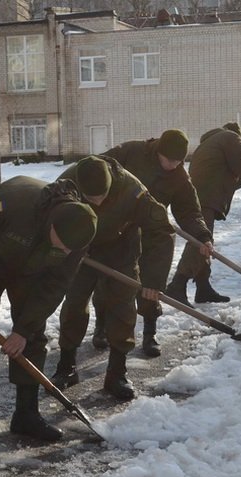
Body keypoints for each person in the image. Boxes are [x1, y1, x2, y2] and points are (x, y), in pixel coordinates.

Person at [0, 176, 98, 448]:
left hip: (33, 270)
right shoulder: (14, 203)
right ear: (53, 224)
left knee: (32, 336)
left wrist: (23, 330)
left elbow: (55, 287)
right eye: (62, 245)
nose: (65, 251)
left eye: (69, 249)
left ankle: (26, 414)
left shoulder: (79, 232)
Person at [51, 155, 174, 400]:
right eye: (91, 198)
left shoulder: (132, 190)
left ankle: (117, 372)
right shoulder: (64, 185)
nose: (97, 202)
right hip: (80, 249)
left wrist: (154, 281)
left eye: (102, 196)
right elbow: (47, 220)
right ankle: (67, 366)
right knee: (74, 302)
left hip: (121, 248)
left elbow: (162, 231)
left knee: (122, 306)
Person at [89, 129, 214, 357]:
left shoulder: (179, 177)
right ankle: (102, 326)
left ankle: (149, 332)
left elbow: (189, 211)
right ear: (158, 152)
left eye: (178, 161)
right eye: (169, 160)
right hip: (115, 230)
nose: (173, 165)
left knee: (151, 283)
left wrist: (203, 236)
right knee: (108, 280)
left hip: (152, 233)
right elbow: (96, 169)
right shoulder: (131, 152)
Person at [165, 122, 241, 307]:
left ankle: (203, 287)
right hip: (204, 199)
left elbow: (224, 179)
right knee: (200, 243)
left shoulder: (211, 144)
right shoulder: (230, 137)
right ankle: (177, 284)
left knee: (205, 242)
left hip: (199, 197)